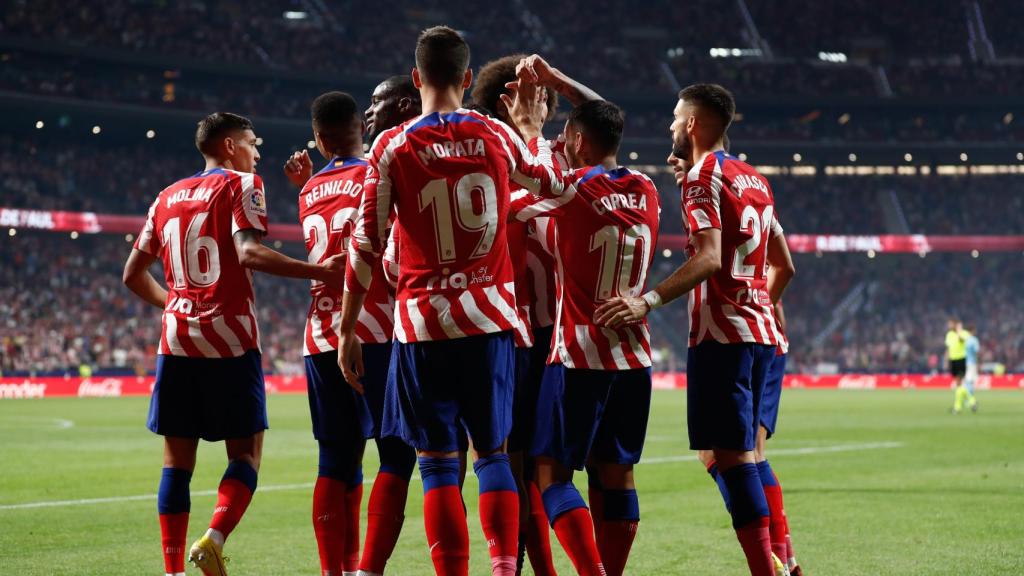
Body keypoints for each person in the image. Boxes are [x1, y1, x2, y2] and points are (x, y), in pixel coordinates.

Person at [337, 26, 570, 576]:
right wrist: (534, 134)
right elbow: (557, 189)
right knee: (493, 454)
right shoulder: (495, 134)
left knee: (438, 466)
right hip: (490, 321)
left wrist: (348, 329)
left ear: (417, 78)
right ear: (468, 79)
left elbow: (366, 245)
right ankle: (505, 569)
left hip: (421, 327)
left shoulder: (391, 147)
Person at [122, 112, 343, 576]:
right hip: (231, 337)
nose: (257, 152)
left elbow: (132, 275)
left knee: (176, 461)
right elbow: (248, 253)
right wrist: (319, 270)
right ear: (228, 146)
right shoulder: (243, 184)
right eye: (251, 142)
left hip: (177, 339)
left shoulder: (165, 197)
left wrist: (176, 303)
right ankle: (214, 538)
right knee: (245, 454)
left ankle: (173, 571)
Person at [595, 84, 792, 576]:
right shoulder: (755, 179)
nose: (670, 127)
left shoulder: (702, 177)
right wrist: (761, 304)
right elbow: (783, 265)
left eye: (676, 119)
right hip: (760, 332)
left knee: (731, 457)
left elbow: (708, 257)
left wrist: (647, 300)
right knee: (728, 452)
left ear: (693, 125)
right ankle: (784, 557)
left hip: (721, 337)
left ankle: (772, 568)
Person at [511, 99, 659, 576]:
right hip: (634, 357)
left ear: (577, 139)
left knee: (550, 473)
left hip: (577, 353)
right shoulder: (648, 188)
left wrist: (532, 129)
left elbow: (521, 183)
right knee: (617, 473)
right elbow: (605, 117)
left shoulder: (571, 189)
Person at [471, 51, 604, 576]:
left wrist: (558, 79)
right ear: (513, 100)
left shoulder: (545, 151)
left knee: (535, 465)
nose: (548, 106)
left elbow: (603, 119)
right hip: (520, 332)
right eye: (540, 96)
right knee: (525, 463)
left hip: (539, 332)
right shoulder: (498, 155)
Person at [945, 319, 968, 413]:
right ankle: (970, 401)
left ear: (955, 324)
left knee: (959, 382)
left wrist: (959, 331)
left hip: (961, 359)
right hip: (953, 360)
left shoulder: (963, 333)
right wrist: (946, 360)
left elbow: (962, 340)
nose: (949, 325)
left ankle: (958, 406)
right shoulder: (949, 334)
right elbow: (949, 347)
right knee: (958, 383)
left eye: (950, 324)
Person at [957, 324, 980, 413]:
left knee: (966, 381)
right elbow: (976, 352)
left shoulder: (965, 340)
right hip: (971, 363)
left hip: (964, 362)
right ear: (972, 331)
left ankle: (967, 400)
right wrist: (978, 363)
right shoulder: (974, 340)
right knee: (970, 382)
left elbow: (959, 341)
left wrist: (959, 331)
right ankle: (970, 400)